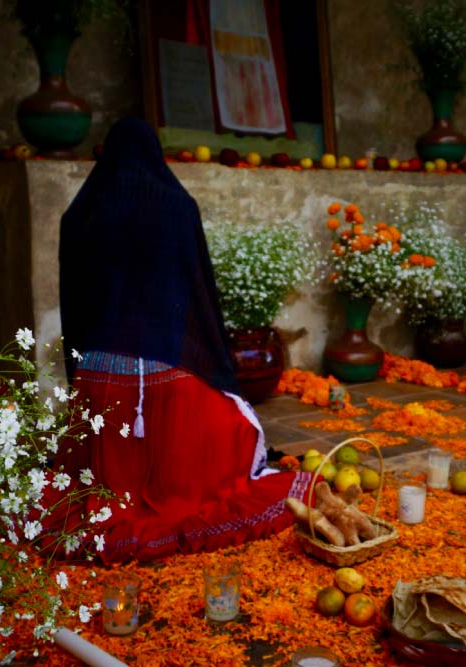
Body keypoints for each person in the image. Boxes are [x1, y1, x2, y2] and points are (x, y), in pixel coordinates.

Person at [43, 117, 309, 563]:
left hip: (97, 378)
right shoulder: (175, 206)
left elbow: (75, 299)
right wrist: (211, 366)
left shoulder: (83, 211)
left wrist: (82, 374)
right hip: (166, 374)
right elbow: (197, 294)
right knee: (229, 433)